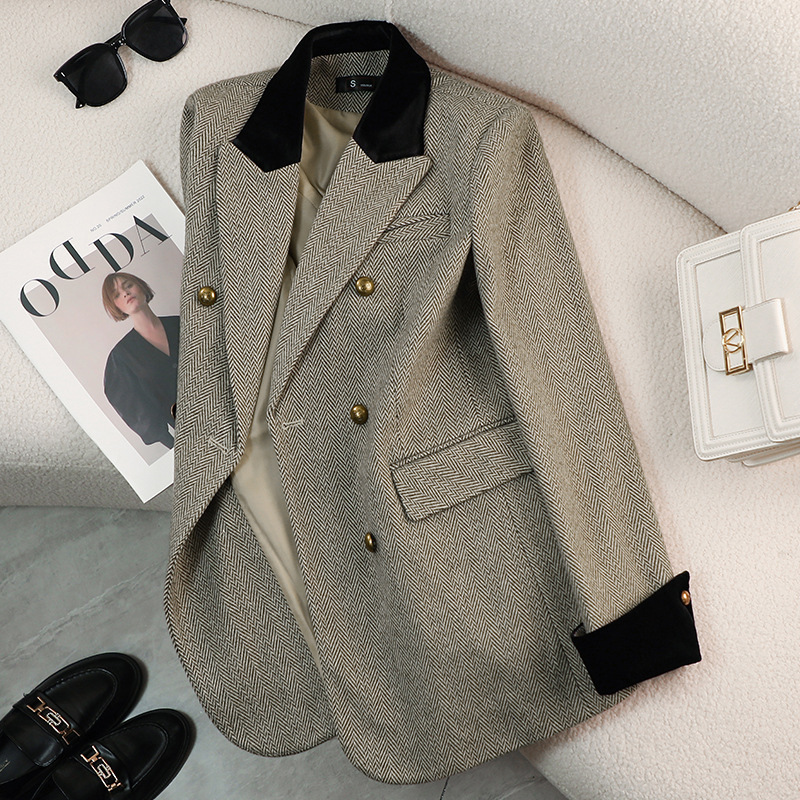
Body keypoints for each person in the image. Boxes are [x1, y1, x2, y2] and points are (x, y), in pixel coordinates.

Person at [101, 272, 179, 448]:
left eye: (128, 286)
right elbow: (133, 409)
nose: (125, 293)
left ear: (141, 287)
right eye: (116, 294)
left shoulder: (182, 324)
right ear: (115, 306)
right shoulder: (121, 357)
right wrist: (172, 443)